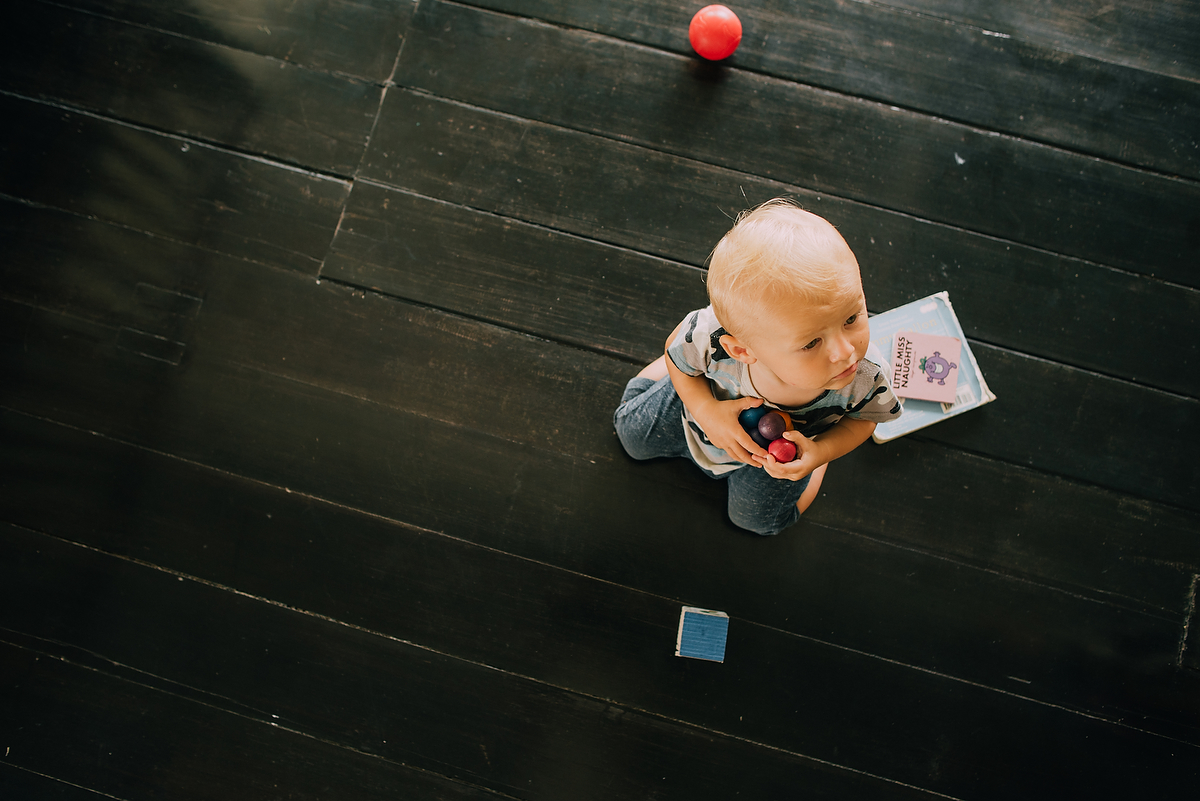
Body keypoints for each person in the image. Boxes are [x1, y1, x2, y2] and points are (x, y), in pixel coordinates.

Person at [613, 199, 902, 535]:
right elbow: (674, 343)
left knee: (757, 524)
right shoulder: (713, 336)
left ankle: (814, 468)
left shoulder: (865, 376)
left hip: (773, 461)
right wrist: (704, 408)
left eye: (851, 317)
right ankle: (680, 370)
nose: (845, 351)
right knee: (630, 434)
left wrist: (820, 452)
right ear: (742, 349)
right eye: (811, 343)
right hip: (697, 417)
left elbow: (864, 420)